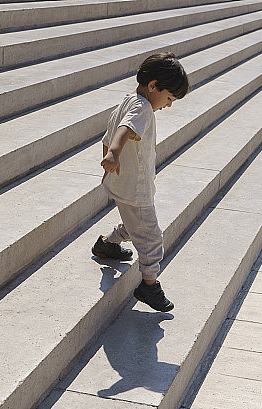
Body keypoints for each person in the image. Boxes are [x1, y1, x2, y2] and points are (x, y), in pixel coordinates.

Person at [91, 52, 189, 312]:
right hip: (135, 187)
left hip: (126, 185)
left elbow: (109, 133)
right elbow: (122, 131)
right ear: (154, 86)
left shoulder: (128, 101)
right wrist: (113, 154)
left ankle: (107, 243)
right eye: (169, 98)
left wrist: (108, 163)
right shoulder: (143, 108)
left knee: (135, 224)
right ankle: (149, 285)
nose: (168, 105)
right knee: (152, 237)